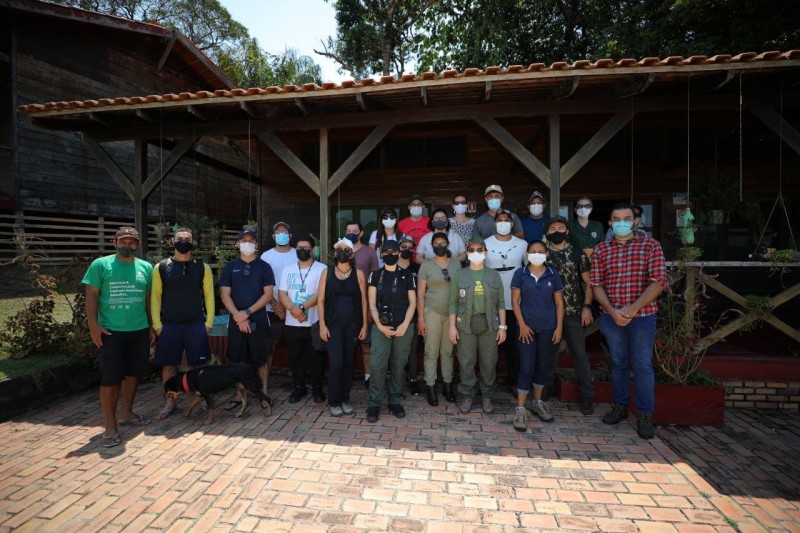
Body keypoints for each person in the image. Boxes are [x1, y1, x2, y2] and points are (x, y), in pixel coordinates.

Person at [591, 202, 667, 440]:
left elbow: (658, 281)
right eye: (616, 219)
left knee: (642, 365)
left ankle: (645, 414)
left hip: (642, 317)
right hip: (611, 316)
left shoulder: (650, 246)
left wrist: (632, 309)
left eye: (627, 218)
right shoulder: (602, 250)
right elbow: (596, 285)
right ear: (610, 223)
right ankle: (620, 406)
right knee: (618, 363)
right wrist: (612, 311)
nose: (621, 222)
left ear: (635, 221)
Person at [82, 226, 154, 448]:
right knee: (110, 379)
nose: (128, 245)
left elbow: (148, 298)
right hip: (111, 332)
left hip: (139, 330)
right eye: (123, 241)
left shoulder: (146, 268)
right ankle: (110, 425)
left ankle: (126, 414)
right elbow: (91, 295)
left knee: (133, 374)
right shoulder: (101, 265)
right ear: (115, 242)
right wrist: (93, 325)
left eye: (132, 242)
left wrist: (151, 325)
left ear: (138, 245)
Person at [151, 227, 214, 421]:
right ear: (173, 242)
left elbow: (210, 296)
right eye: (180, 238)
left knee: (199, 365)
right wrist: (158, 325)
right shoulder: (161, 267)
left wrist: (209, 323)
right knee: (169, 366)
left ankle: (202, 398)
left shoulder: (203, 267)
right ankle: (170, 401)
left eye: (188, 238)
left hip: (196, 324)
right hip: (170, 325)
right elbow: (155, 298)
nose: (184, 241)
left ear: (193, 242)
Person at [449, 236, 507, 414]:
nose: (475, 253)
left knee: (489, 361)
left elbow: (501, 303)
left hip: (489, 323)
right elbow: (453, 302)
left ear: (486, 253)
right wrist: (452, 327)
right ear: (467, 254)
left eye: (479, 250)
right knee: (466, 361)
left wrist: (503, 327)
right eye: (472, 250)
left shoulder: (493, 274)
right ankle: (467, 395)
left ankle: (487, 396)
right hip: (465, 323)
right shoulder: (460, 274)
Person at [511, 240, 565, 431]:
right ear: (527, 254)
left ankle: (538, 403)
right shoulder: (520, 274)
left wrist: (559, 328)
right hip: (526, 329)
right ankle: (520, 409)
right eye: (533, 251)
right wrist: (522, 325)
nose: (536, 254)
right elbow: (515, 302)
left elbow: (559, 303)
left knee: (543, 366)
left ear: (546, 253)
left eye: (540, 251)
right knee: (526, 366)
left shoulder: (553, 274)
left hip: (548, 328)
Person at [545, 217, 595, 415]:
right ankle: (545, 391)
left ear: (567, 231)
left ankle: (587, 396)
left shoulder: (577, 254)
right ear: (547, 232)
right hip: (548, 313)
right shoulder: (543, 255)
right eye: (552, 228)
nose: (557, 231)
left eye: (561, 227)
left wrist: (587, 307)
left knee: (579, 355)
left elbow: (589, 283)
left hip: (573, 311)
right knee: (548, 354)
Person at [219, 229, 275, 406]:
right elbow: (224, 294)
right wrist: (238, 316)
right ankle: (239, 395)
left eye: (251, 240)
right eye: (243, 240)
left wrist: (247, 313)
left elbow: (268, 295)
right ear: (237, 244)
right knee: (237, 358)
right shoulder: (229, 267)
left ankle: (264, 393)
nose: (247, 243)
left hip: (258, 319)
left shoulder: (264, 267)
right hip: (236, 321)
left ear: (256, 244)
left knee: (261, 359)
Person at [366, 240, 417, 423]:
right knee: (378, 366)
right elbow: (372, 304)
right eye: (386, 251)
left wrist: (405, 324)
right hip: (381, 327)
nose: (390, 254)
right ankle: (374, 403)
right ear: (381, 253)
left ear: (398, 253)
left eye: (393, 251)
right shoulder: (375, 275)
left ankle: (395, 400)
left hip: (403, 327)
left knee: (398, 365)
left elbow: (413, 303)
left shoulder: (408, 275)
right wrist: (379, 325)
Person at [317, 238, 368, 417]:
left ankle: (345, 399)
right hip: (333, 325)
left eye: (347, 249)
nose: (343, 252)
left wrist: (364, 325)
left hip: (352, 325)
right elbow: (321, 301)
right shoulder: (327, 273)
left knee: (348, 364)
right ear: (335, 252)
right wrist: (322, 325)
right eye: (340, 248)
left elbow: (363, 301)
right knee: (336, 363)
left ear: (352, 254)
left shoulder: (359, 274)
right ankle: (334, 401)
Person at [278, 235, 328, 404]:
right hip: (292, 323)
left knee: (317, 358)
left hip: (314, 322)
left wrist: (302, 308)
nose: (302, 250)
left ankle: (317, 389)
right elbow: (282, 293)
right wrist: (293, 309)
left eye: (306, 248)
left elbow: (320, 294)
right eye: (299, 248)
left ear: (313, 250)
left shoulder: (322, 269)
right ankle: (298, 388)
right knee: (295, 358)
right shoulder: (288, 269)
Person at [485, 208, 527, 395]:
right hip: (490, 303)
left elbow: (528, 270)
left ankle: (514, 380)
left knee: (513, 346)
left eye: (506, 220)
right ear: (494, 223)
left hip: (514, 303)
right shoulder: (485, 244)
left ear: (512, 223)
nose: (503, 223)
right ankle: (487, 383)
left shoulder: (522, 245)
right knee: (487, 346)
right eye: (499, 220)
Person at [417, 232, 461, 405]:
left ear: (448, 244)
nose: (440, 246)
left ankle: (448, 385)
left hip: (452, 314)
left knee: (448, 352)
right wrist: (420, 317)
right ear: (432, 246)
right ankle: (431, 386)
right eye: (436, 243)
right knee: (431, 351)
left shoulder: (457, 264)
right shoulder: (426, 265)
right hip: (431, 311)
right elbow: (420, 294)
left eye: (443, 243)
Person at [345, 221, 378, 389]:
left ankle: (368, 376)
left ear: (361, 233)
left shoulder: (369, 252)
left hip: (365, 303)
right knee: (347, 342)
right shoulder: (342, 251)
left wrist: (372, 309)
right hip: (346, 304)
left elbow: (375, 280)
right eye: (348, 230)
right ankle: (346, 375)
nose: (352, 233)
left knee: (366, 342)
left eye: (355, 231)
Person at [260, 221, 298, 356]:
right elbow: (262, 283)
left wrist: (285, 305)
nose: (281, 235)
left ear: (290, 235)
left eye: (285, 232)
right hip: (271, 309)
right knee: (269, 346)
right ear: (273, 236)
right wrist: (276, 304)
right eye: (278, 233)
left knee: (296, 347)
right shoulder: (265, 256)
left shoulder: (297, 255)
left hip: (295, 308)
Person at [397, 235, 422, 395]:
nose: (406, 250)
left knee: (412, 349)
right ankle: (397, 380)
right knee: (396, 350)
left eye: (409, 247)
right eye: (403, 247)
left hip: (413, 313)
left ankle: (413, 379)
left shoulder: (417, 269)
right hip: (395, 312)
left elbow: (421, 294)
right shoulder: (390, 267)